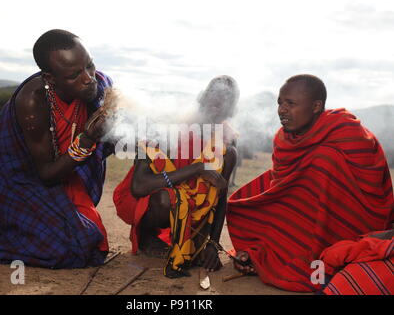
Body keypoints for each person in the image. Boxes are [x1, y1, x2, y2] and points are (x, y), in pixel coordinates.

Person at [0, 29, 116, 269]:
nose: (88, 78)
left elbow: (112, 131)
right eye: (75, 74)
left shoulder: (98, 86)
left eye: (90, 65)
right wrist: (86, 140)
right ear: (51, 78)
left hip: (67, 170)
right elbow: (45, 174)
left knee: (88, 240)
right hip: (24, 179)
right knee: (67, 248)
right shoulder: (32, 103)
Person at [227, 74, 394, 292]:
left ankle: (319, 255)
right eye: (280, 103)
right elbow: (285, 196)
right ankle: (270, 250)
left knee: (323, 159)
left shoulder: (347, 133)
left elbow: (374, 186)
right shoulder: (283, 139)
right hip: (305, 219)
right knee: (248, 199)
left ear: (316, 106)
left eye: (291, 103)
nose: (282, 109)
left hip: (350, 220)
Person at [113, 76, 239, 278]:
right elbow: (138, 187)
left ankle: (187, 238)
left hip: (192, 213)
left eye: (225, 100)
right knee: (167, 199)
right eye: (213, 97)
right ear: (201, 98)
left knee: (183, 205)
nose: (218, 103)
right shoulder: (166, 128)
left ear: (231, 111)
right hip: (142, 202)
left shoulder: (227, 146)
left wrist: (213, 244)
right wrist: (197, 168)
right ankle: (148, 236)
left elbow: (220, 197)